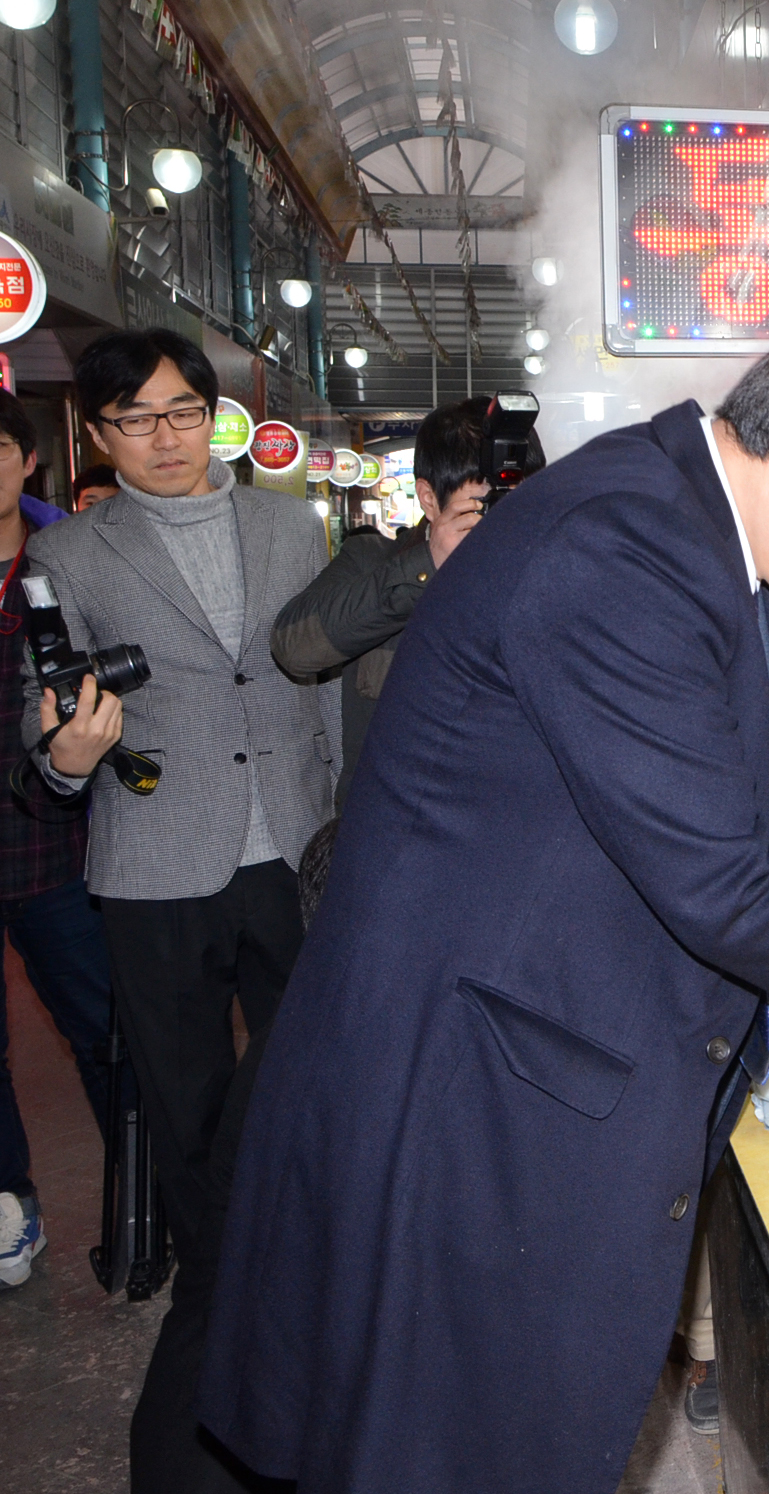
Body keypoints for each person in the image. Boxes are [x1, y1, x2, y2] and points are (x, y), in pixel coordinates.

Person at [200, 305, 769, 1492]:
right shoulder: (621, 551)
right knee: (446, 1453)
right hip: (470, 1106)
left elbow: (755, 812)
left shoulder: (700, 536)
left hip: (529, 1061)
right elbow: (724, 877)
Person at [22, 327, 339, 1488]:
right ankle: (223, 1291)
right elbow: (43, 710)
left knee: (315, 1069)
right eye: (136, 420)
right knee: (189, 1098)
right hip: (157, 859)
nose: (165, 438)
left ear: (215, 413)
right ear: (96, 437)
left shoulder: (289, 522)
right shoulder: (78, 557)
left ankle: (312, 1263)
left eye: (182, 412)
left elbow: (321, 678)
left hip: (294, 846)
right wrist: (65, 754)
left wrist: (353, 820)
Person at [0, 390, 118, 1290]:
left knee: (102, 1027)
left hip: (54, 846)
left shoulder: (64, 571)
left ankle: (145, 1190)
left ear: (25, 460)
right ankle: (10, 1204)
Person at [272, 396, 490, 805]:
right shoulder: (375, 562)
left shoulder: (556, 574)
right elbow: (294, 647)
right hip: (393, 826)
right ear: (428, 498)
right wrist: (426, 565)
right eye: (483, 504)